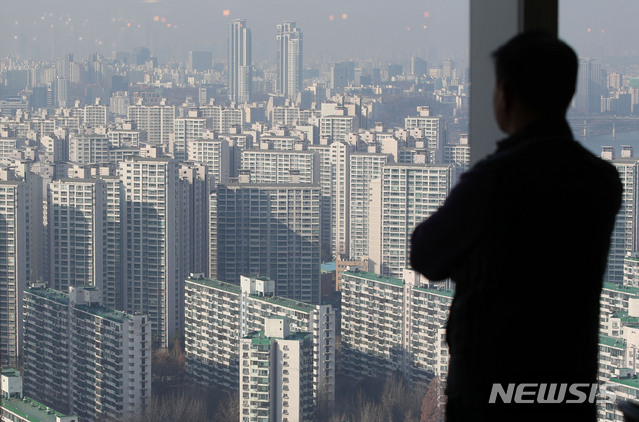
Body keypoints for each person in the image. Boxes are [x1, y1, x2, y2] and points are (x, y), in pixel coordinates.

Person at [410, 31, 622, 421]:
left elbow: (425, 254)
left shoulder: (494, 180)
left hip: (491, 386)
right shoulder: (602, 181)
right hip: (567, 382)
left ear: (504, 94)